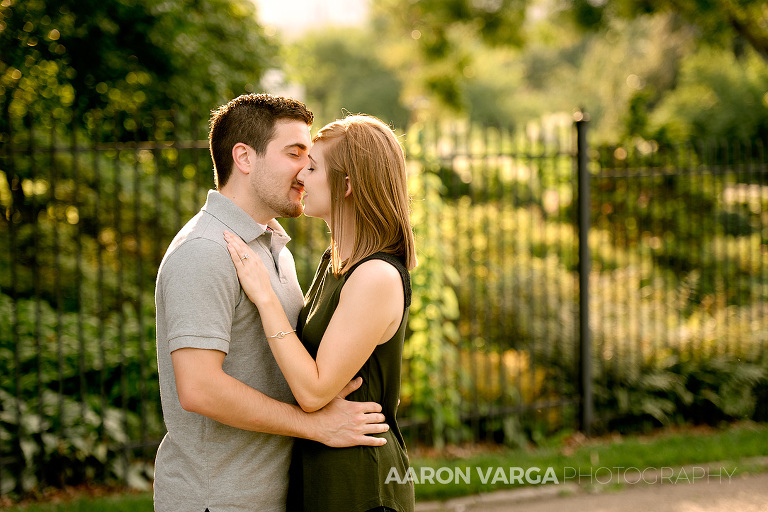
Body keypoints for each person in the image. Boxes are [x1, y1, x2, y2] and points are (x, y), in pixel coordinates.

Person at [154, 94, 390, 512]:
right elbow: (199, 388)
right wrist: (314, 425)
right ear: (244, 157)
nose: (307, 169)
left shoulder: (271, 247)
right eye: (295, 153)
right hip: (220, 500)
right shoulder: (205, 251)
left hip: (274, 495)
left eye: (310, 156)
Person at [223, 114, 417, 512]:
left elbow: (312, 391)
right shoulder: (335, 264)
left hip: (360, 485)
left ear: (347, 185)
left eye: (312, 167)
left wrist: (265, 298)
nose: (301, 177)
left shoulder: (375, 276)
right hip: (322, 475)